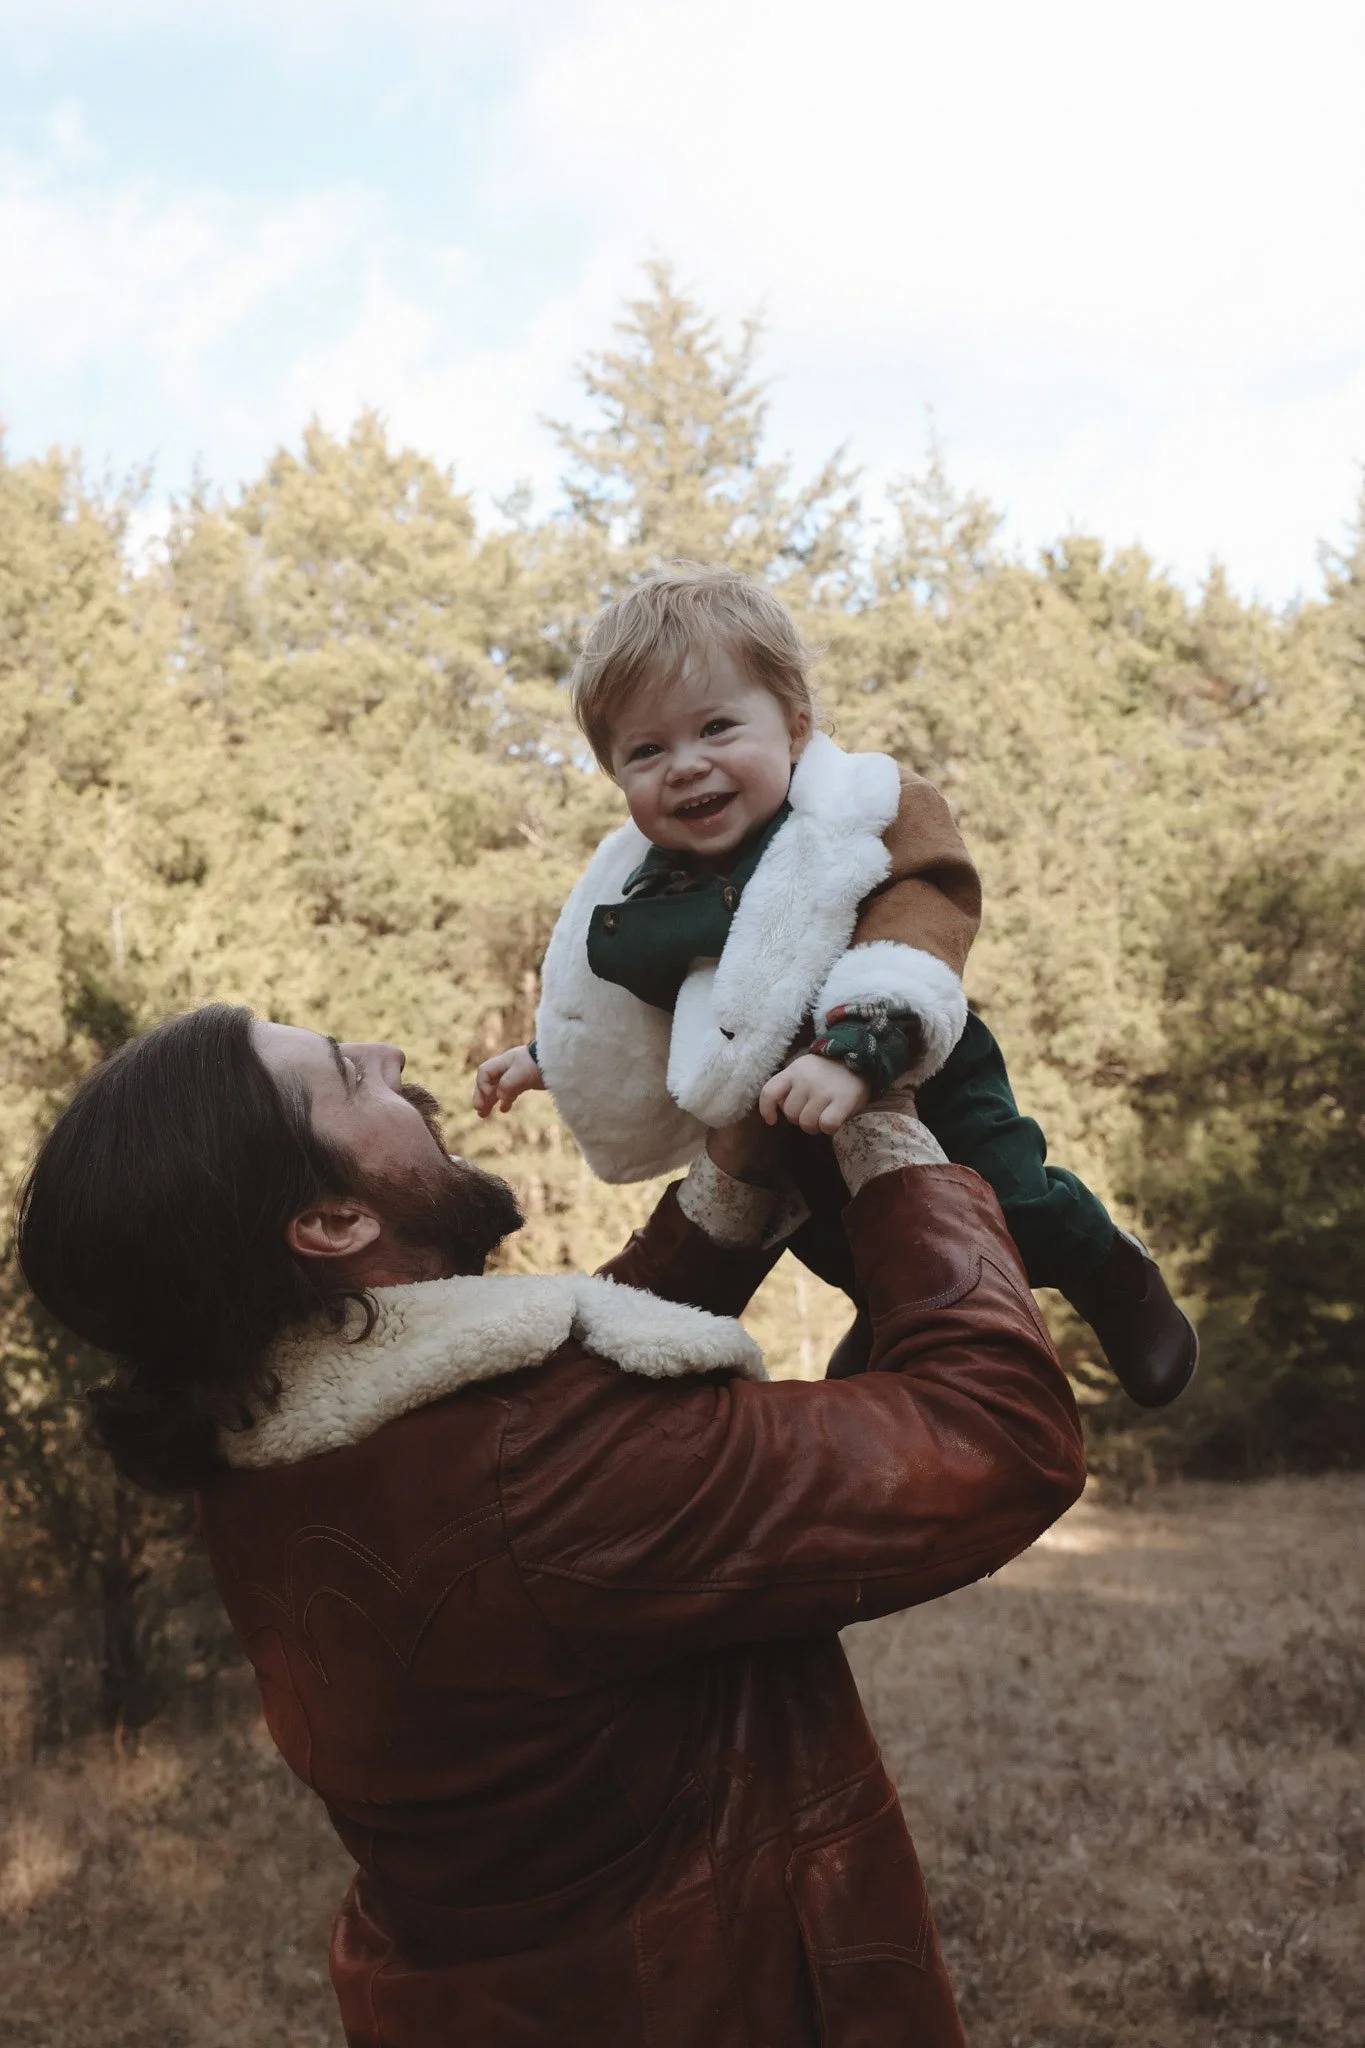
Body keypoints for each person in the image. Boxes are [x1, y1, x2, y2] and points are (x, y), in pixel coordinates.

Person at [17, 1001, 1085, 2048]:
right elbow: (999, 1435)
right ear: (335, 1223)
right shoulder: (543, 1472)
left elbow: (551, 1426)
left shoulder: (272, 1437)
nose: (390, 1050)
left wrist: (731, 1180)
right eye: (348, 1073)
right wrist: (890, 1127)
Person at [476, 565, 1197, 1406]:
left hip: (916, 1069)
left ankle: (1113, 1266)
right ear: (615, 776)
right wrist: (551, 1056)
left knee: (1008, 1207)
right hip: (780, 1107)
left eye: (715, 726)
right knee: (835, 1240)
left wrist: (856, 1047)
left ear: (793, 726)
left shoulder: (862, 811)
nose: (685, 765)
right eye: (646, 750)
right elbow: (628, 1006)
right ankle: (888, 1306)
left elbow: (921, 910)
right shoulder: (648, 889)